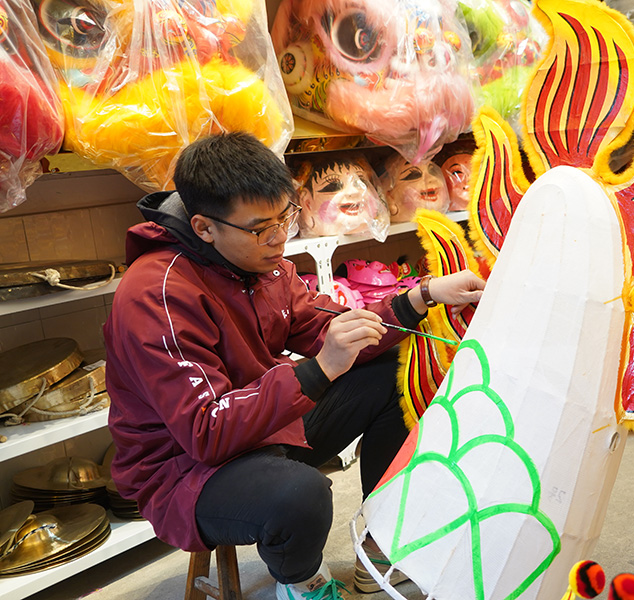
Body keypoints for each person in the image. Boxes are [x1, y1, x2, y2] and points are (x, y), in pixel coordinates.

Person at [103, 132, 485, 600]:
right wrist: (317, 370)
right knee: (301, 496)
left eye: (285, 216)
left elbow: (334, 327)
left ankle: (381, 544)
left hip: (261, 432)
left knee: (391, 371)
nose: (280, 237)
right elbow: (205, 431)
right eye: (262, 228)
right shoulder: (157, 294)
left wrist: (421, 297)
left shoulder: (264, 268)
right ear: (205, 227)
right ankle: (302, 582)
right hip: (185, 471)